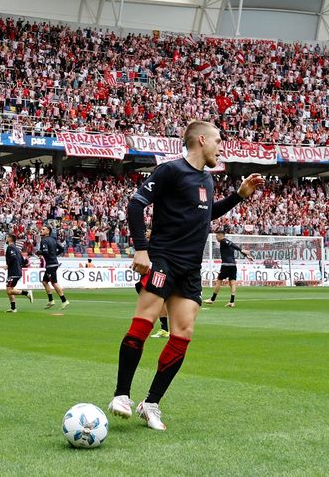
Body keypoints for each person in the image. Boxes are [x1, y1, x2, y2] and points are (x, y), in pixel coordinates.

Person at [108, 120, 265, 431]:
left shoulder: (207, 180)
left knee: (183, 334)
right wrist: (142, 249)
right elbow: (136, 204)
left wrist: (238, 196)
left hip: (191, 268)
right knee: (144, 321)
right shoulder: (170, 170)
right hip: (164, 259)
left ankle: (150, 403)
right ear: (201, 140)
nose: (222, 147)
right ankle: (121, 395)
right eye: (219, 141)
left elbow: (206, 215)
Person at [204, 231, 254, 308]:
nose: (216, 238)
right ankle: (232, 302)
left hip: (226, 265)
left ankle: (212, 299)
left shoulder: (224, 241)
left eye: (217, 236)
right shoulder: (229, 242)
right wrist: (246, 255)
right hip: (233, 265)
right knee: (232, 283)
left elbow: (234, 246)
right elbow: (234, 246)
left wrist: (242, 250)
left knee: (219, 281)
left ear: (221, 236)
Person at [36, 225, 68, 310]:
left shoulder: (44, 241)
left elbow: (45, 252)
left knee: (54, 283)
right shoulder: (53, 240)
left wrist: (39, 252)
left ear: (48, 231)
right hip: (53, 263)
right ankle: (51, 300)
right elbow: (61, 249)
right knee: (44, 282)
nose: (41, 230)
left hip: (51, 264)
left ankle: (64, 301)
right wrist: (54, 255)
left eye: (43, 229)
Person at [4, 233, 33, 313]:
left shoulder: (10, 247)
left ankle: (26, 293)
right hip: (17, 271)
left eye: (7, 237)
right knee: (10, 289)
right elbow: (23, 261)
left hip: (14, 271)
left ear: (10, 239)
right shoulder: (17, 249)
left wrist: (7, 265)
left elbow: (13, 258)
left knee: (9, 290)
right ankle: (13, 308)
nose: (6, 239)